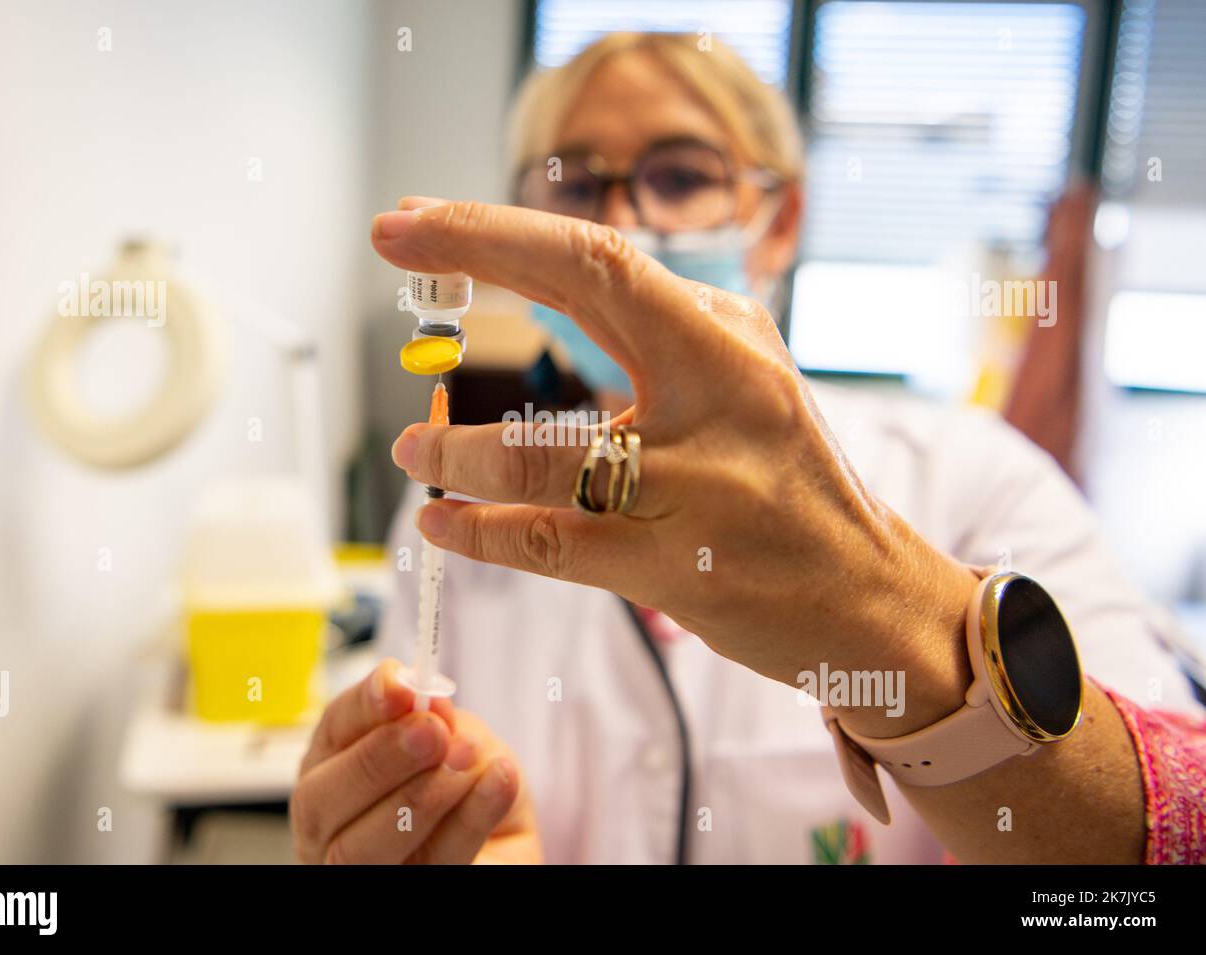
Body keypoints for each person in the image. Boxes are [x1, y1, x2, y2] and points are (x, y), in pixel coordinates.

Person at [290, 34, 1205, 865]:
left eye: (681, 177)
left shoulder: (979, 479)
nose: (616, 223)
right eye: (573, 183)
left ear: (778, 218)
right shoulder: (457, 508)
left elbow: (1158, 831)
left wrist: (871, 603)